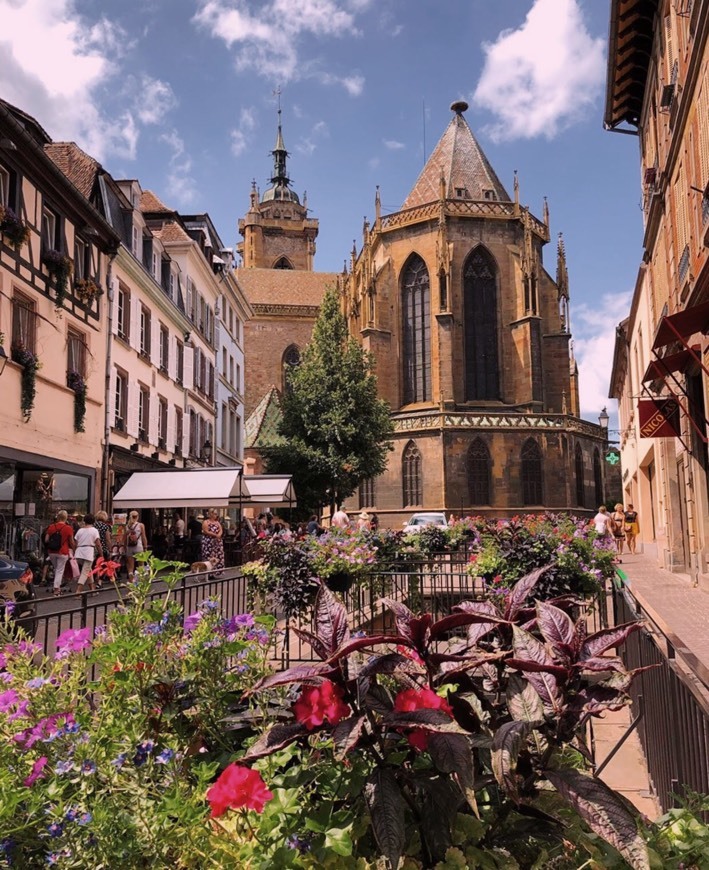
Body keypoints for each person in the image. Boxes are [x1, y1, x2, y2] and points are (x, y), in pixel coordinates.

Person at [45, 510, 76, 598]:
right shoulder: (68, 528)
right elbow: (71, 542)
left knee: (56, 569)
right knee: (59, 570)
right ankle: (56, 590)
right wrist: (74, 550)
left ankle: (57, 588)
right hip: (63, 551)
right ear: (66, 518)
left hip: (52, 552)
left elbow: (46, 540)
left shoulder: (51, 527)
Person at [74, 514, 103, 594]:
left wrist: (74, 552)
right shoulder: (94, 530)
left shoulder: (80, 530)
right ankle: (78, 591)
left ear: (84, 521)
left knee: (88, 571)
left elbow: (75, 542)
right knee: (85, 572)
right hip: (88, 552)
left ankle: (92, 590)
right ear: (93, 521)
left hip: (79, 552)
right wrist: (101, 554)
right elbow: (98, 543)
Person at [125, 510, 147, 581]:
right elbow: (143, 537)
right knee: (141, 565)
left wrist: (125, 547)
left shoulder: (127, 526)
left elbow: (125, 538)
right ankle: (140, 581)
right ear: (137, 517)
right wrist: (145, 546)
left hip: (129, 547)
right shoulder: (140, 525)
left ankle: (131, 581)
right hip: (138, 547)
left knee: (130, 567)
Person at [94, 511, 113, 587]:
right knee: (103, 565)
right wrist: (110, 549)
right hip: (103, 548)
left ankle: (95, 578)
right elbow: (108, 539)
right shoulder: (105, 526)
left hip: (94, 549)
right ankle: (99, 582)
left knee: (95, 565)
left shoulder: (93, 526)